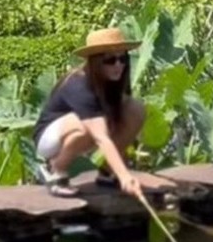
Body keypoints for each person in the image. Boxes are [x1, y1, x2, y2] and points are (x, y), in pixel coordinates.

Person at [33, 26, 145, 197]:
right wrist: (125, 177)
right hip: (51, 138)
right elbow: (100, 136)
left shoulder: (116, 79)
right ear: (95, 62)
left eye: (122, 59)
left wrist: (121, 168)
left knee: (135, 108)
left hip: (90, 130)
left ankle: (108, 172)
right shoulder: (78, 84)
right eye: (110, 60)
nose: (118, 65)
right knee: (83, 125)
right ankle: (56, 169)